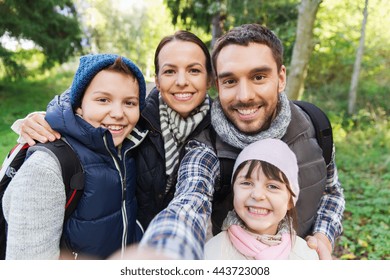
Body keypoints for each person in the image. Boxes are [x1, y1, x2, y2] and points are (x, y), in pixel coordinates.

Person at [138, 23, 344, 260]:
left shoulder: (315, 126)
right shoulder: (205, 148)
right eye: (230, 81)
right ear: (217, 85)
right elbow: (188, 204)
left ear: (281, 77)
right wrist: (164, 254)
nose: (244, 96)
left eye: (258, 77)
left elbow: (331, 191)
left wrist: (323, 235)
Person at [8, 30, 213, 232]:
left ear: (209, 79)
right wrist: (41, 119)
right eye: (169, 71)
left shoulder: (223, 124)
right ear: (157, 81)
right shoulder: (138, 119)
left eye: (194, 70)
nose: (181, 81)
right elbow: (88, 105)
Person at [2, 53, 148, 259]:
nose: (118, 113)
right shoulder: (46, 168)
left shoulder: (126, 149)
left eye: (130, 103)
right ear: (79, 105)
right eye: (103, 100)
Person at [204, 138, 318, 260]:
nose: (257, 195)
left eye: (272, 186)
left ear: (290, 201)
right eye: (247, 183)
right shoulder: (212, 253)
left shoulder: (306, 256)